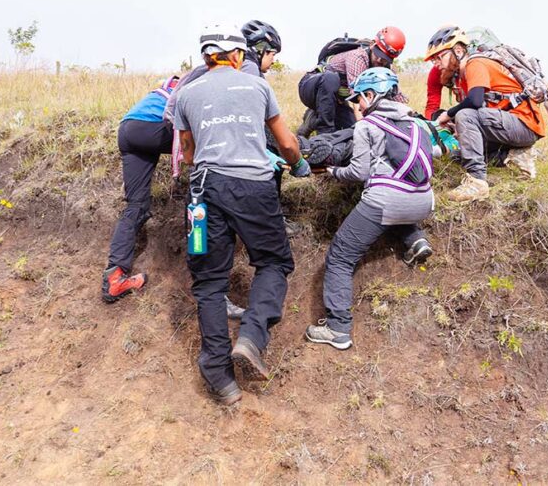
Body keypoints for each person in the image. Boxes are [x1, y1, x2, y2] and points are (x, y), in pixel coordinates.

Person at [173, 26, 311, 405]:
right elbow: (285, 143)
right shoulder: (259, 88)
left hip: (205, 190)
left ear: (205, 58)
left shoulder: (185, 94)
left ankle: (219, 377)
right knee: (273, 262)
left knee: (209, 283)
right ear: (237, 56)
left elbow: (187, 153)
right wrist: (297, 164)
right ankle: (251, 337)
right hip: (254, 186)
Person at [305, 67, 434, 351]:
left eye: (359, 99)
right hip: (424, 201)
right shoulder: (417, 122)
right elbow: (432, 153)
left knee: (339, 256)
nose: (357, 106)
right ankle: (415, 239)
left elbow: (359, 172)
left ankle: (338, 329)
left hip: (387, 201)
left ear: (372, 95)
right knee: (393, 205)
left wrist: (331, 171)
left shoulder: (367, 125)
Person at [428, 26, 546, 202]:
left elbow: (474, 102)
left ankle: (477, 183)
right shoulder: (464, 73)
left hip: (523, 123)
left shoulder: (475, 63)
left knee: (465, 115)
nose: (436, 63)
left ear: (458, 50)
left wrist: (449, 114)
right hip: (511, 126)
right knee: (459, 155)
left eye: (439, 56)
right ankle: (515, 156)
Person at [100, 75, 180, 302]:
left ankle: (115, 278)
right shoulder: (202, 83)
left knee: (137, 205)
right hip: (151, 127)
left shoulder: (173, 85)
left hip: (127, 129)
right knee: (205, 142)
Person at [298, 27, 408, 135]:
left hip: (335, 101)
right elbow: (358, 95)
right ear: (373, 45)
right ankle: (324, 133)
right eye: (378, 53)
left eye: (385, 58)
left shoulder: (387, 69)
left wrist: (409, 117)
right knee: (330, 79)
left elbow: (396, 97)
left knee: (350, 131)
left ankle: (313, 118)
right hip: (311, 87)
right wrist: (364, 129)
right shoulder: (357, 57)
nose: (380, 60)